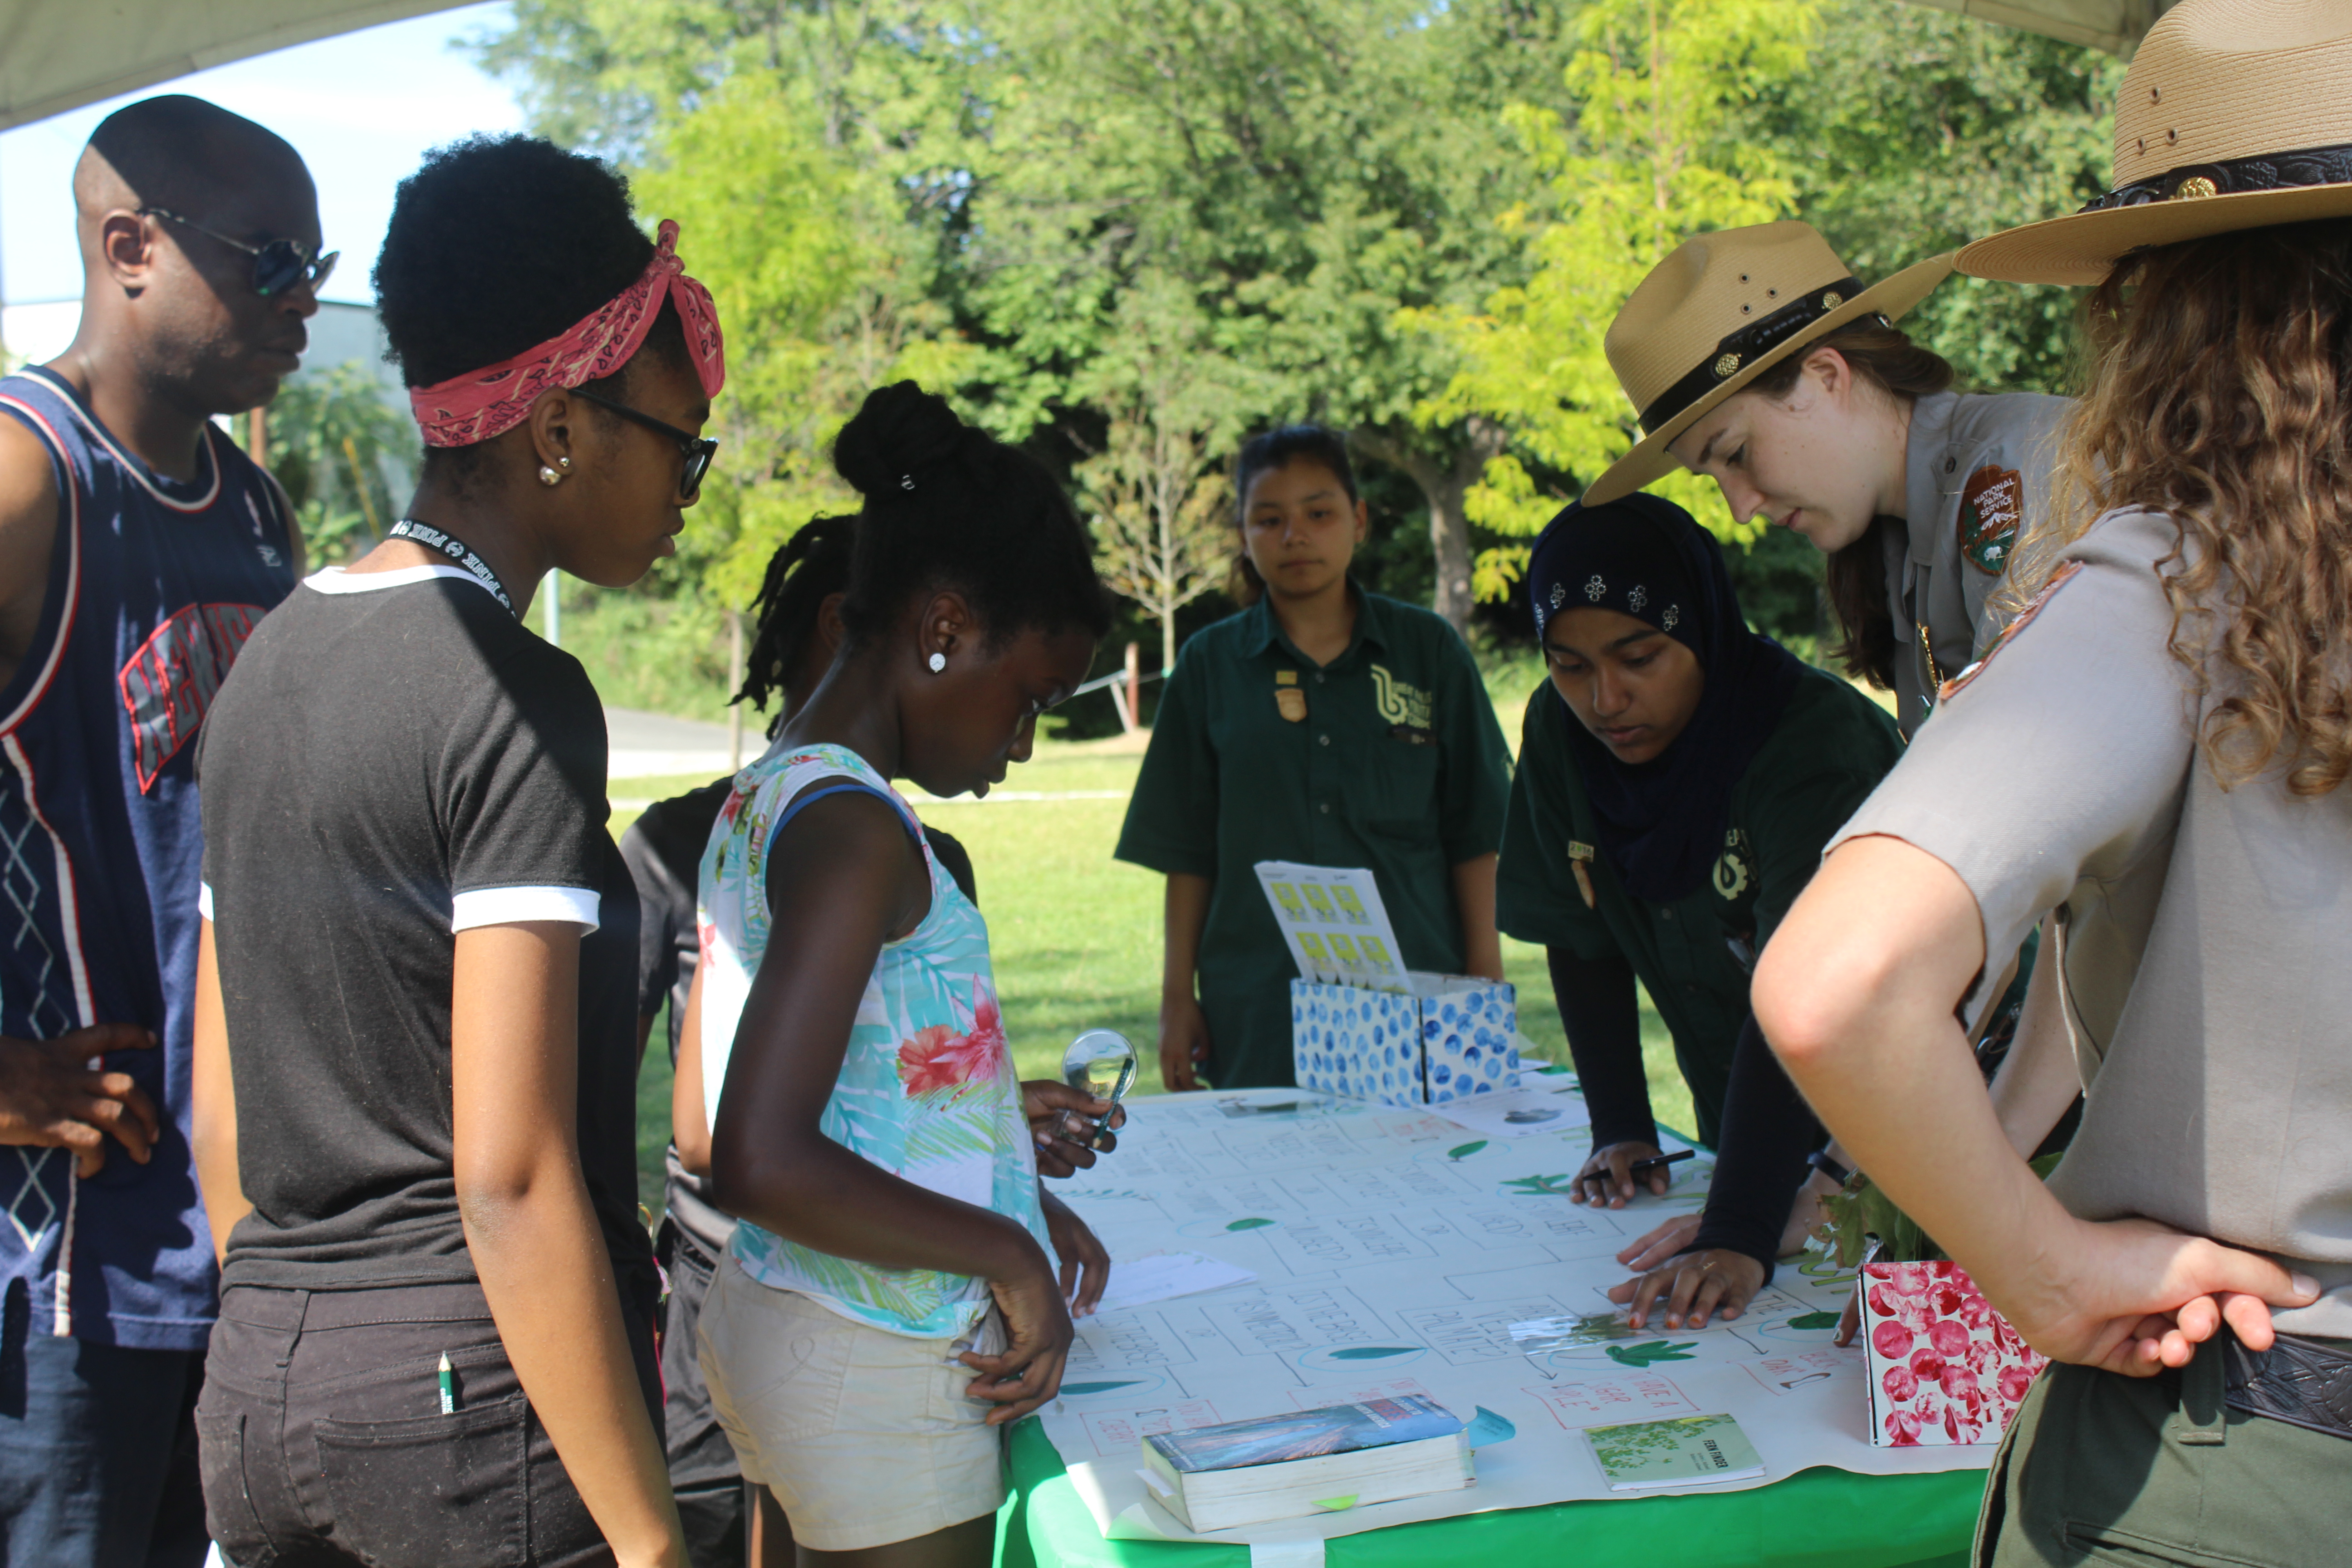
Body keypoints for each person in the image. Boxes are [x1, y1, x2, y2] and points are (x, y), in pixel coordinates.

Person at [1755, 5, 2352, 1561]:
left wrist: (2030, 1266)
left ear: (2163, 309)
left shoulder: (2184, 584)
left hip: (2241, 1455)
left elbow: (1838, 977)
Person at [189, 134, 721, 1567]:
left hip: (257, 1397)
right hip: (467, 1421)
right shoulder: (517, 699)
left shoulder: (269, 667)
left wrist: (309, 1347)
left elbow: (225, 1120)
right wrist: (648, 1541)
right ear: (557, 429)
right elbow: (512, 1172)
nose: (694, 482)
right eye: (680, 437)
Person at [692, 380, 1119, 1566]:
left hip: (788, 1319)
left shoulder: (776, 788)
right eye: (1029, 697)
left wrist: (994, 1155)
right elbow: (761, 1154)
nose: (1023, 742)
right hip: (869, 1363)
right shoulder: (862, 831)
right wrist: (1005, 1251)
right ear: (940, 626)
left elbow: (844, 1077)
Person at [0, 95, 318, 1566]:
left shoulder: (254, 507)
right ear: (129, 246)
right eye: (270, 258)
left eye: (319, 259)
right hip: (61, 1275)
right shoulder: (27, 479)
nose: (303, 296)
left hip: (232, 1245)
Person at [619, 511, 977, 1568]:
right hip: (717, 1290)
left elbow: (907, 1070)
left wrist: (1001, 1107)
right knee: (711, 1521)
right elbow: (645, 1118)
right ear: (845, 627)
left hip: (874, 1295)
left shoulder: (926, 853)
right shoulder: (680, 842)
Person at [1496, 494, 1900, 1333]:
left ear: (1703, 629)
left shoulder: (1811, 744)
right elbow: (1581, 926)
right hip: (1744, 1132)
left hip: (1908, 1136)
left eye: (1637, 655)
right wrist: (1620, 1124)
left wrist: (1739, 1231)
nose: (1603, 698)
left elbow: (1810, 989)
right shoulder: (1560, 733)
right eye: (1567, 665)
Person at [1117, 425, 1514, 1091]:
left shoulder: (1430, 653)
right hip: (1257, 1003)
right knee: (1270, 1188)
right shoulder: (1210, 665)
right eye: (1268, 519)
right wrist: (1176, 998)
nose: (1294, 535)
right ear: (1244, 534)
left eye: (1319, 513)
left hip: (1417, 996)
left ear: (1358, 521)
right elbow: (1187, 852)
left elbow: (1475, 835)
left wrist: (1483, 981)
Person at [1585, 220, 2070, 740]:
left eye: (1736, 453)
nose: (1741, 509)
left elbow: (2038, 757)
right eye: (1712, 479)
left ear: (1827, 377)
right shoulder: (1895, 536)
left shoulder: (2020, 465)